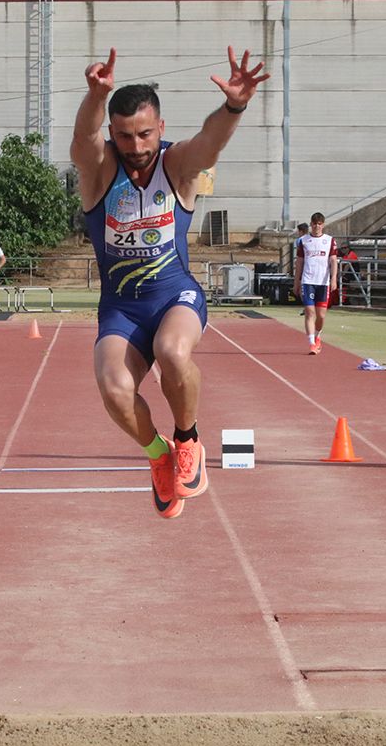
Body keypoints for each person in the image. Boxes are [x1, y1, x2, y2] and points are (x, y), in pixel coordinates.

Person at [71, 46, 268, 519]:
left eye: (143, 134)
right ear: (113, 135)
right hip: (120, 307)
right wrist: (96, 96)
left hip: (175, 295)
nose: (136, 147)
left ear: (159, 128)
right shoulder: (99, 172)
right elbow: (83, 137)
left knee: (172, 352)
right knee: (114, 388)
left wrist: (235, 105)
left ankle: (187, 439)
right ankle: (159, 456)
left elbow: (211, 142)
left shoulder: (175, 165)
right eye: (124, 137)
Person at [292, 214, 338, 354]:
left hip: (323, 283)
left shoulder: (329, 240)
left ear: (322, 225)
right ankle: (311, 343)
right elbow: (299, 262)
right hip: (308, 281)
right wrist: (297, 281)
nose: (317, 226)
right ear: (311, 224)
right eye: (314, 224)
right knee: (310, 312)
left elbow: (333, 260)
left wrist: (334, 278)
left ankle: (317, 336)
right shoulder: (303, 241)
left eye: (319, 224)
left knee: (321, 315)